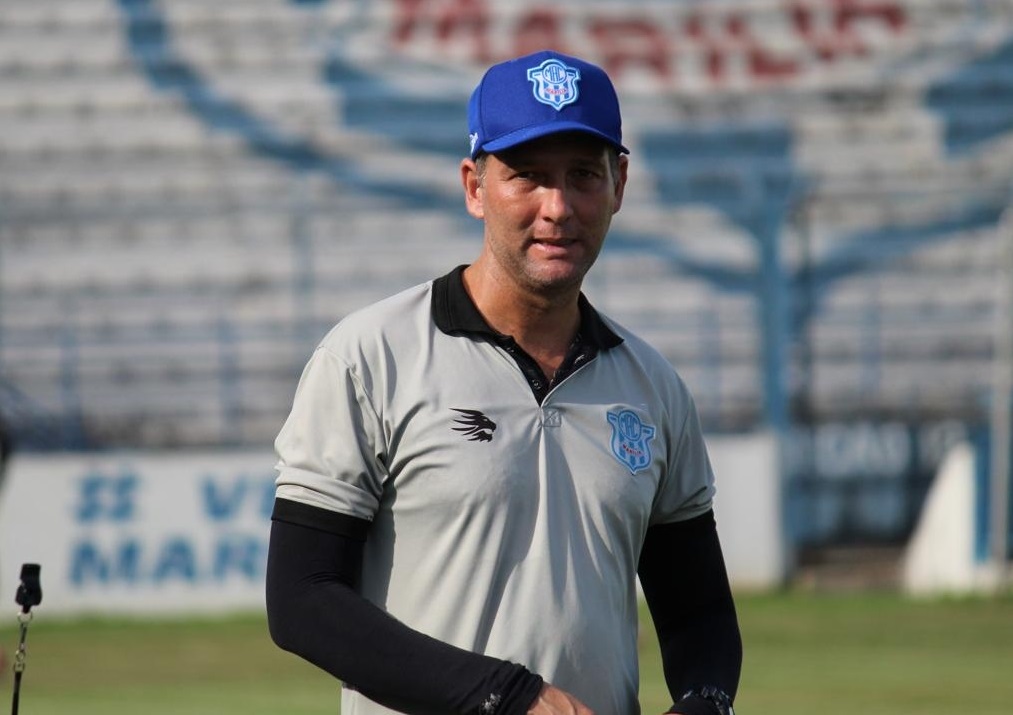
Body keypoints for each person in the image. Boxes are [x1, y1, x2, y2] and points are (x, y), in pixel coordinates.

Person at [266, 49, 742, 715]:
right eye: (526, 176)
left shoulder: (651, 385)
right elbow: (303, 600)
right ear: (473, 186)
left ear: (619, 185)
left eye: (582, 175)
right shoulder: (370, 356)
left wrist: (703, 702)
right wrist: (504, 695)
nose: (557, 207)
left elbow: (697, 614)